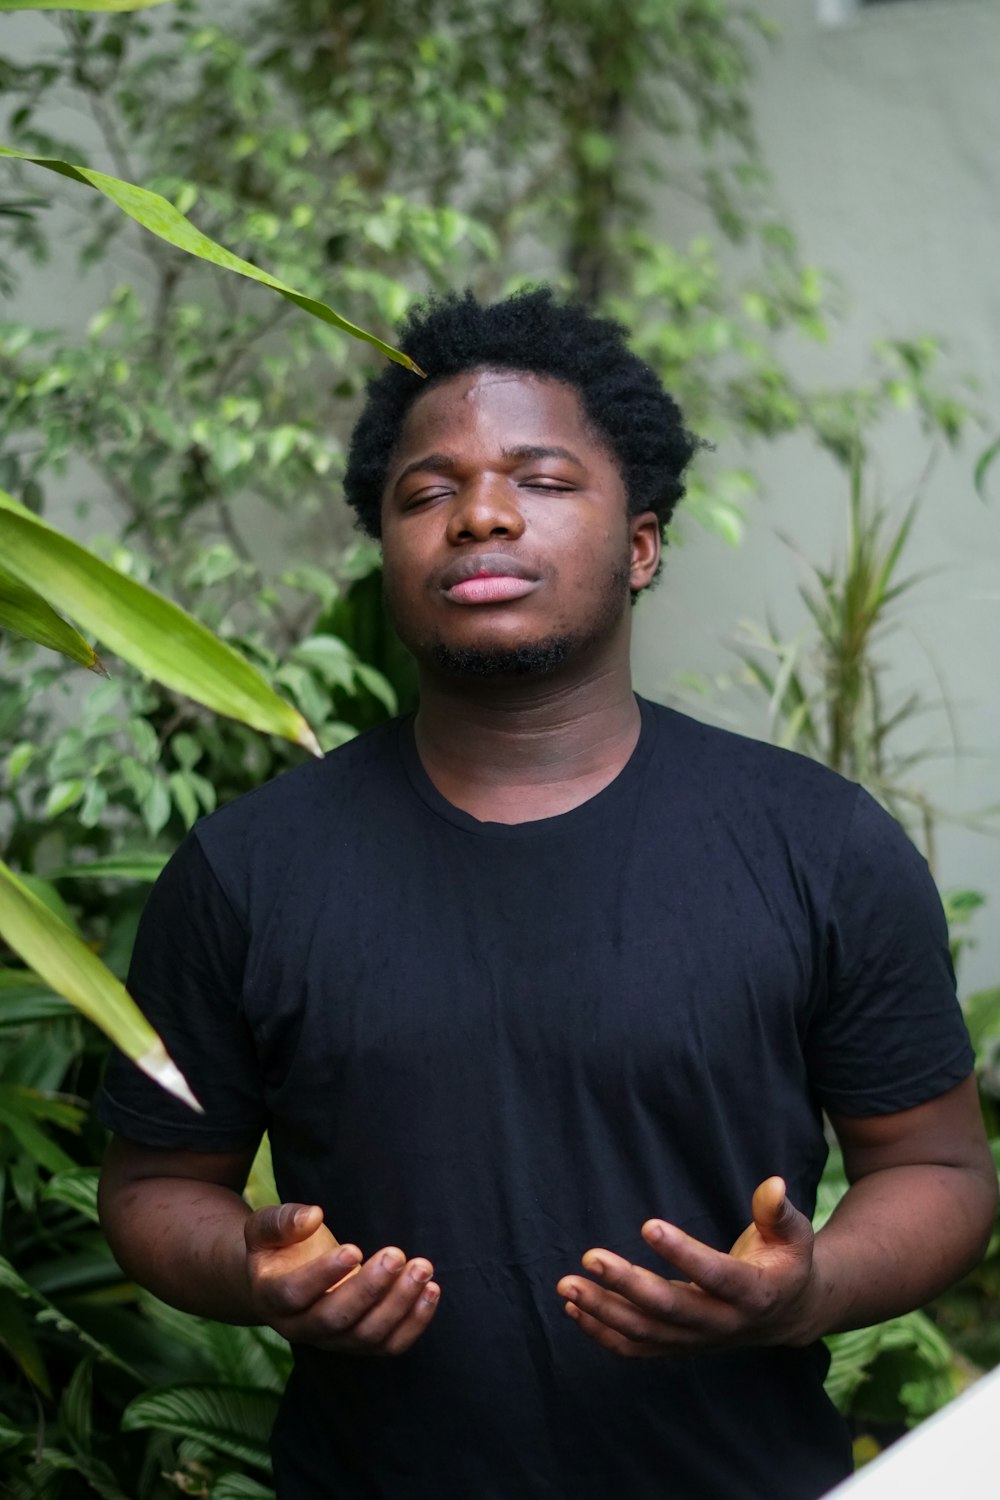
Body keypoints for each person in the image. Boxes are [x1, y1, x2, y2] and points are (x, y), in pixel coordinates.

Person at [97, 288, 997, 1500]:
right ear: (387, 551)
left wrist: (809, 1291)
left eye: (542, 478)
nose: (479, 514)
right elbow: (157, 1188)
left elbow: (938, 1174)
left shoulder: (816, 845)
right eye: (427, 491)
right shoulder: (250, 869)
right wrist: (250, 1275)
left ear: (640, 542)